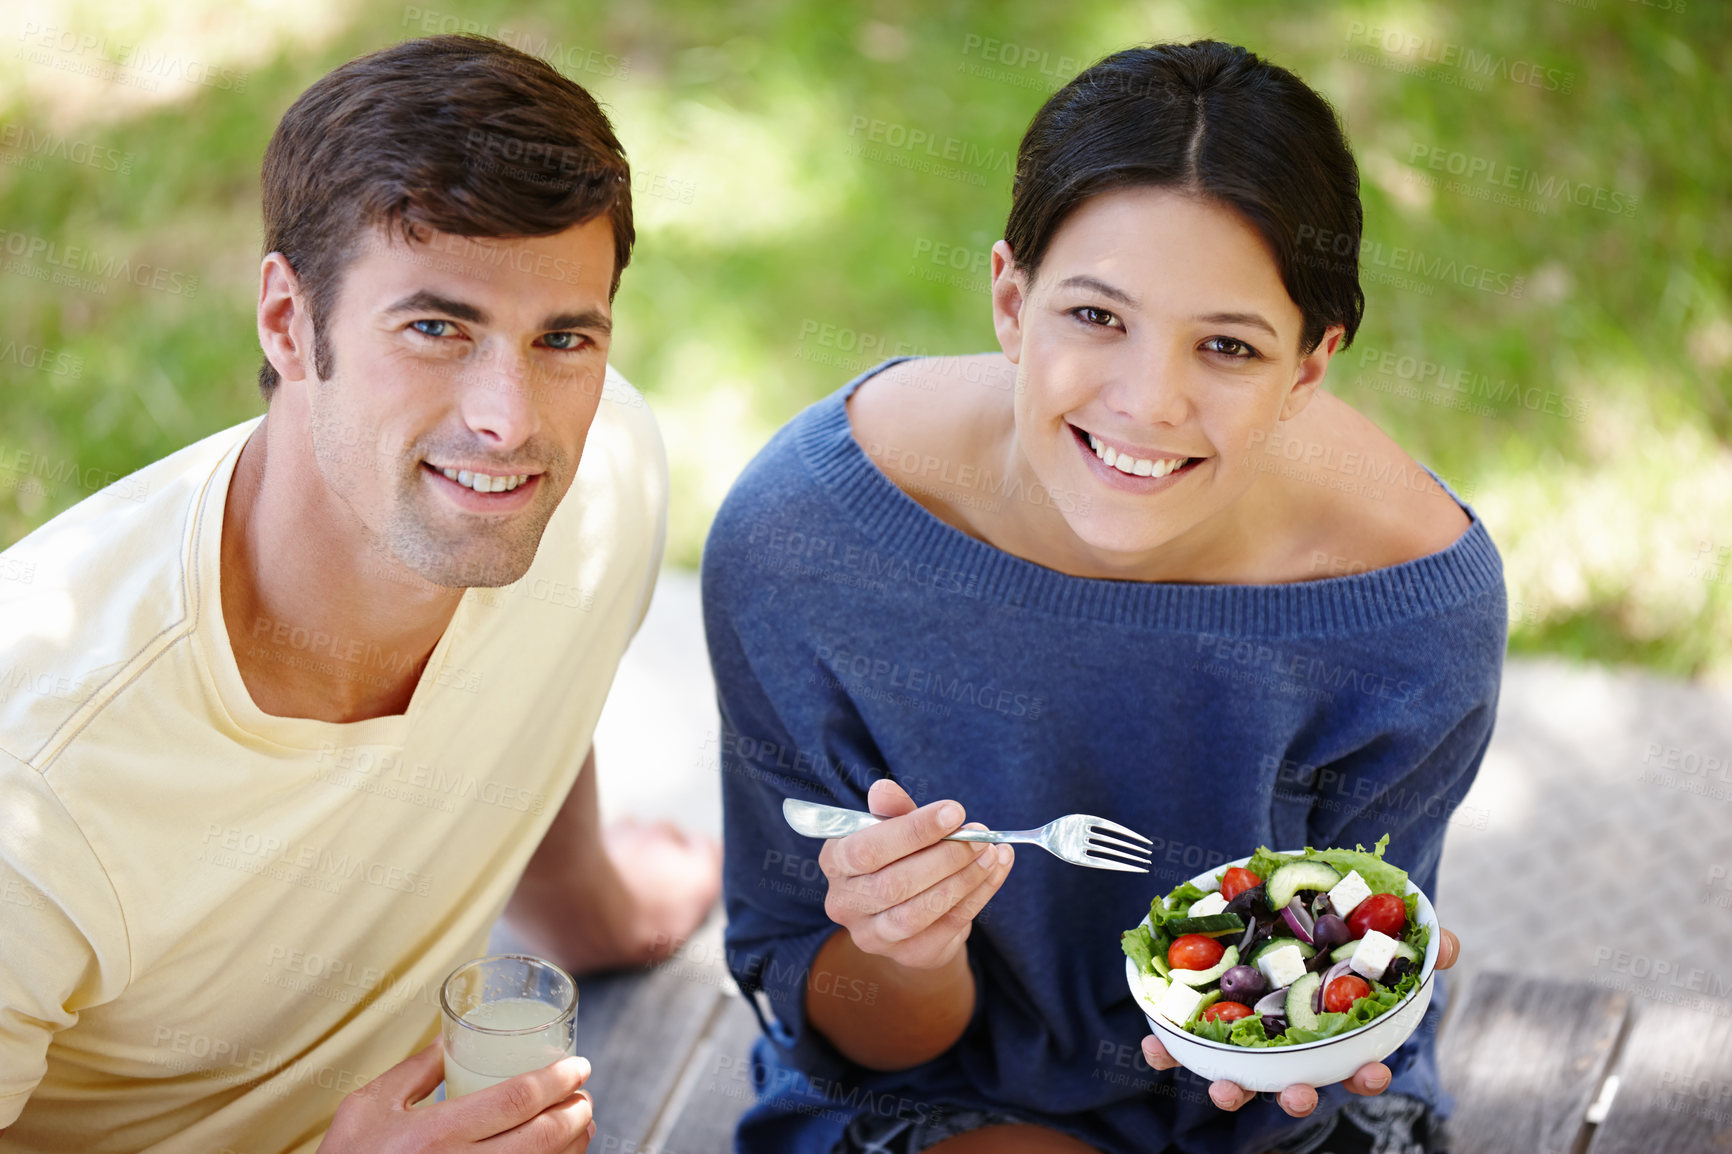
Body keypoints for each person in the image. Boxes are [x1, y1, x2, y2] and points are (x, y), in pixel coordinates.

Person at [702, 40, 1501, 1154]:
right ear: (1009, 299)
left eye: (1226, 345)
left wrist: (1307, 1031)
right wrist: (905, 946)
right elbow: (849, 1025)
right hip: (939, 1098)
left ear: (1309, 367)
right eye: (1094, 317)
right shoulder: (811, 538)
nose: (1146, 403)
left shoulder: (1404, 607)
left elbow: (1344, 963)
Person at [0, 35, 720, 1154]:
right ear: (289, 322)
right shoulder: (36, 780)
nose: (509, 418)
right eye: (436, 327)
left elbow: (538, 685)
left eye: (562, 337)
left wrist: (594, 904)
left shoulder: (602, 476)